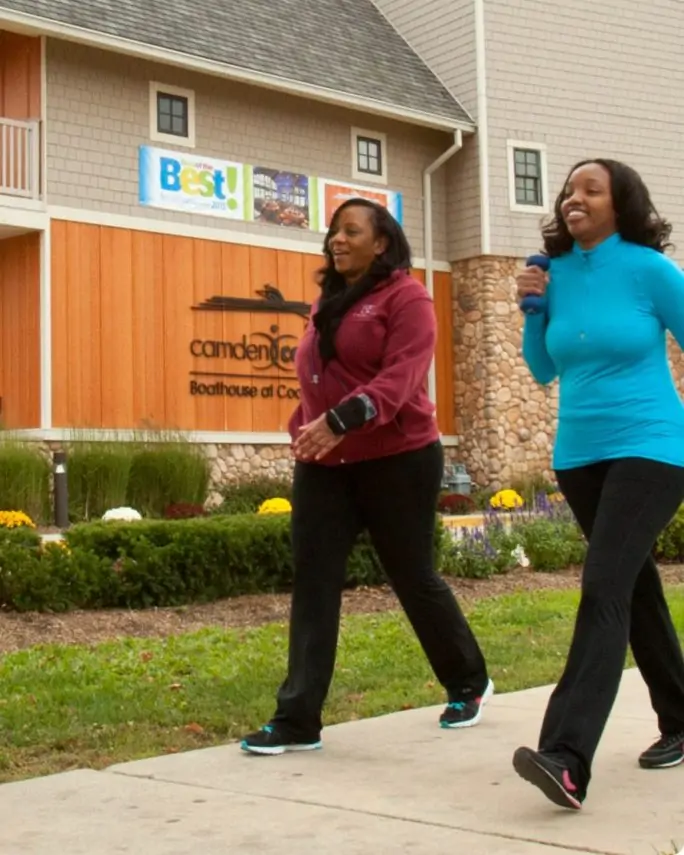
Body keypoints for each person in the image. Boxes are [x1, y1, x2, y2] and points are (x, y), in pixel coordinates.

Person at [240, 198, 492, 755]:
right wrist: (305, 430)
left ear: (380, 243)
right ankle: (298, 718)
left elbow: (400, 380)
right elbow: (314, 378)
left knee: (411, 575)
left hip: (397, 458)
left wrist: (339, 420)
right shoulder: (327, 301)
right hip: (326, 464)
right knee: (314, 583)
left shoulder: (409, 298)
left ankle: (468, 682)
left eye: (351, 230)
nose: (337, 238)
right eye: (334, 230)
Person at [513, 158, 684, 810]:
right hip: (579, 455)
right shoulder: (552, 274)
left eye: (591, 188)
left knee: (604, 584)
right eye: (569, 189)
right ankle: (681, 717)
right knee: (633, 587)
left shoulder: (648, 269)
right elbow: (540, 368)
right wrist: (533, 307)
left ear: (621, 204)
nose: (573, 197)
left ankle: (566, 755)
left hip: (654, 446)